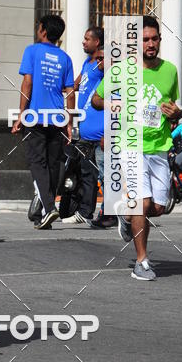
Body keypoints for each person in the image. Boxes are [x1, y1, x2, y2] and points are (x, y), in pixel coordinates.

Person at [92, 16, 181, 281]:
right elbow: (96, 99)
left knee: (158, 208)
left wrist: (175, 112)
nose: (150, 44)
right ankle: (142, 261)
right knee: (142, 203)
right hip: (130, 145)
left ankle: (127, 216)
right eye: (145, 39)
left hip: (159, 146)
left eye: (154, 39)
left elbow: (172, 107)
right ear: (136, 43)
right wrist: (112, 105)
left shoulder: (170, 71)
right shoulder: (121, 70)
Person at [12, 15, 75, 229]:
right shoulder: (65, 58)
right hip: (57, 118)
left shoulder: (32, 50)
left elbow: (27, 83)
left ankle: (49, 208)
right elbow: (70, 92)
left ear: (43, 31)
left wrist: (22, 113)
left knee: (37, 163)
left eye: (38, 27)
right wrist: (69, 121)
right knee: (52, 164)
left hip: (35, 116)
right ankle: (44, 213)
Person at [62, 26, 104, 227]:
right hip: (84, 128)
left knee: (97, 174)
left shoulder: (102, 63)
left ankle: (88, 212)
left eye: (87, 39)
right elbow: (73, 85)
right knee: (86, 172)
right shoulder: (88, 63)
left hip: (100, 130)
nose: (83, 42)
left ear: (97, 42)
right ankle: (87, 211)